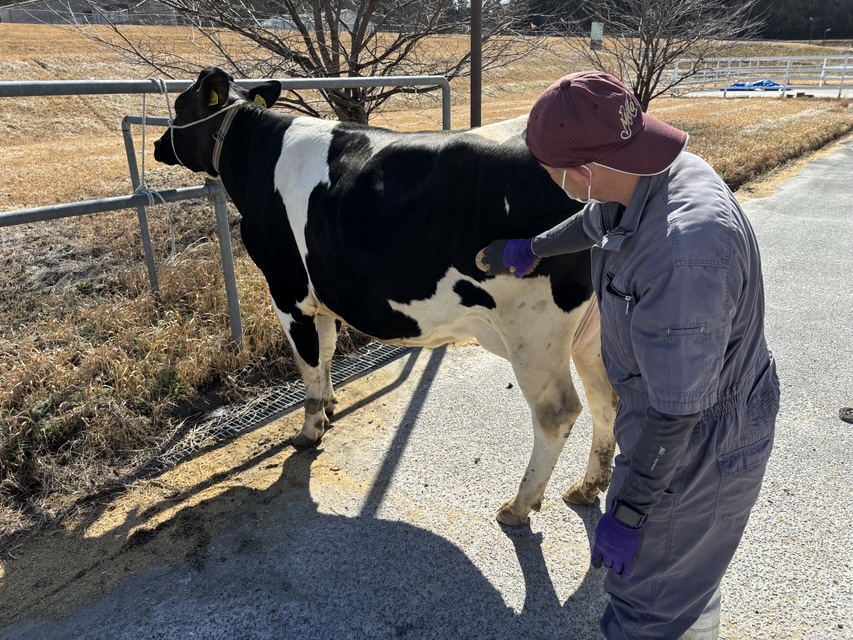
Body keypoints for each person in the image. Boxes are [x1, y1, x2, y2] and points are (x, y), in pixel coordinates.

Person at [476, 71, 779, 639]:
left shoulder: (683, 251)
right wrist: (533, 248)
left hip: (695, 443)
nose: (555, 181)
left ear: (581, 173)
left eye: (552, 172)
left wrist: (632, 512)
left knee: (646, 603)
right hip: (680, 406)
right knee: (688, 578)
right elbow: (598, 219)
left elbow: (677, 413)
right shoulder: (652, 172)